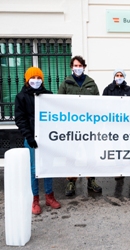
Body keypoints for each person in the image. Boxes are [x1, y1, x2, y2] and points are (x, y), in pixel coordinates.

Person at [15, 67, 61, 215]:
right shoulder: (21, 97)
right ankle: (34, 199)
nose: (36, 80)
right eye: (32, 77)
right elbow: (20, 119)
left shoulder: (48, 95)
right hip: (31, 139)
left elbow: (55, 116)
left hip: (47, 138)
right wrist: (29, 136)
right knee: (34, 170)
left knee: (48, 167)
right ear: (27, 79)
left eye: (38, 77)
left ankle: (49, 196)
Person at [58, 55, 102, 196]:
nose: (78, 68)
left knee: (90, 154)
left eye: (80, 65)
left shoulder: (91, 84)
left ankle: (91, 180)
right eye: (75, 66)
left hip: (88, 127)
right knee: (71, 154)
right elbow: (59, 104)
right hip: (71, 127)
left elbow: (97, 105)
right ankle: (71, 181)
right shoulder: (66, 84)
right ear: (72, 67)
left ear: (84, 67)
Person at [103, 69, 130, 182]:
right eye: (117, 75)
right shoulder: (108, 90)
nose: (119, 77)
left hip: (128, 125)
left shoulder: (129, 90)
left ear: (124, 77)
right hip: (113, 124)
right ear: (114, 76)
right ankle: (119, 171)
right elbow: (102, 106)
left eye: (121, 75)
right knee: (117, 147)